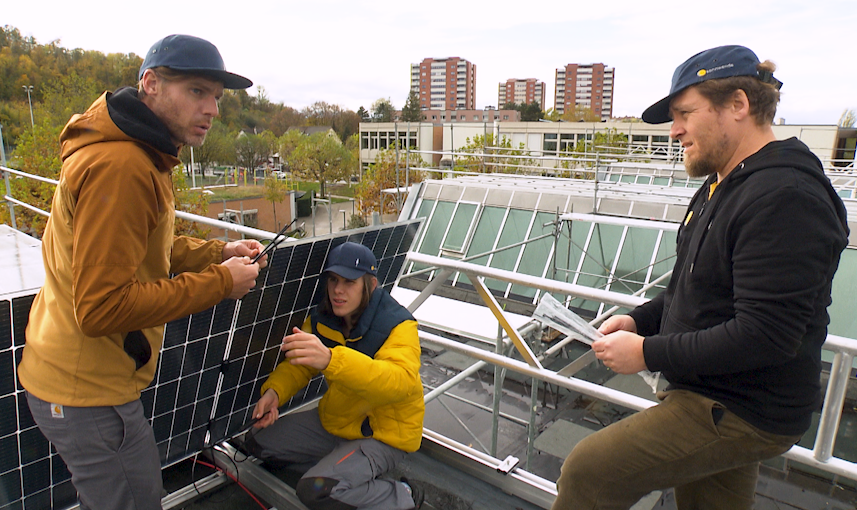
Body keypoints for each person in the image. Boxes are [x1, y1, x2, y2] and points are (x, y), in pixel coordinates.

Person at [551, 45, 849, 510]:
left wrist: (646, 352)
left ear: (738, 105)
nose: (675, 132)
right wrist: (641, 321)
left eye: (685, 114)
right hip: (718, 388)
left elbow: (766, 335)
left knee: (589, 472)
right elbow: (696, 288)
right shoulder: (725, 183)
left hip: (740, 406)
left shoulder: (785, 197)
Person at [18, 34, 266, 510]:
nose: (213, 108)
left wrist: (216, 253)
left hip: (82, 379)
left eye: (216, 96)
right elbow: (102, 307)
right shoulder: (123, 165)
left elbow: (137, 246)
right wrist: (222, 282)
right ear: (150, 83)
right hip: (86, 390)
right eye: (197, 91)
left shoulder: (137, 152)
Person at [245, 241, 426, 510]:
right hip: (337, 421)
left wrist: (331, 359)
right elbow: (301, 364)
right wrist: (274, 393)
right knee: (257, 442)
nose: (338, 291)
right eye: (333, 280)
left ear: (371, 284)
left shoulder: (398, 325)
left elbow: (397, 382)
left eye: (349, 282)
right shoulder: (323, 318)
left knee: (315, 492)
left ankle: (402, 494)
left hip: (382, 434)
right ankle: (342, 472)